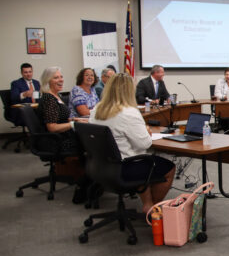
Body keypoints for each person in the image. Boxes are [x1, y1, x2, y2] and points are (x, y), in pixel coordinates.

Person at [90, 73, 176, 214]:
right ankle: (153, 209)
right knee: (168, 167)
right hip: (124, 168)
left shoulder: (96, 110)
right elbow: (145, 144)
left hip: (99, 167)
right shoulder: (129, 113)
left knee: (142, 159)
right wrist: (147, 132)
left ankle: (147, 203)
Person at [38, 67, 89, 203]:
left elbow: (60, 119)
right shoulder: (49, 99)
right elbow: (52, 127)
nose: (60, 80)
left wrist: (75, 120)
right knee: (90, 145)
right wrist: (73, 125)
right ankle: (86, 182)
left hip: (63, 136)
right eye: (56, 77)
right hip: (55, 141)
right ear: (47, 81)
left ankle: (89, 179)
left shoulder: (57, 96)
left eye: (61, 77)